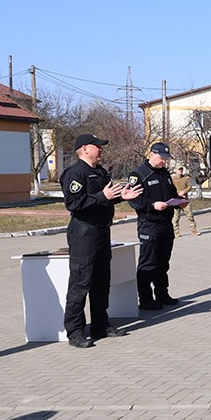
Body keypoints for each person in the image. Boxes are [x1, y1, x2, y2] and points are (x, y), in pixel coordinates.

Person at [61, 134, 142, 348]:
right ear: (85, 148)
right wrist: (102, 197)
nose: (101, 149)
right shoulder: (75, 173)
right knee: (81, 283)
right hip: (84, 233)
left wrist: (120, 196)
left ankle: (100, 324)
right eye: (98, 146)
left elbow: (107, 195)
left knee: (101, 281)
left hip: (101, 232)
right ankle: (75, 331)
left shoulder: (100, 171)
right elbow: (73, 203)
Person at [128, 142, 181, 310]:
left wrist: (179, 200)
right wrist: (152, 205)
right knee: (148, 263)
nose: (164, 161)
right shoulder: (139, 174)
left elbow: (170, 195)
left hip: (166, 223)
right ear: (151, 154)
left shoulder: (164, 174)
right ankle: (145, 299)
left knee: (163, 262)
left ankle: (162, 294)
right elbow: (133, 200)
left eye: (166, 159)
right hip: (149, 224)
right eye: (161, 158)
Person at [171, 166, 200, 237]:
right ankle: (176, 232)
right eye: (179, 169)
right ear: (175, 170)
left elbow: (189, 187)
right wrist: (178, 193)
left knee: (190, 216)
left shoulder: (186, 178)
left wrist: (183, 192)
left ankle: (194, 230)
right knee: (175, 217)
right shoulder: (173, 179)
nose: (180, 171)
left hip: (185, 200)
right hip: (176, 201)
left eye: (181, 169)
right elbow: (170, 188)